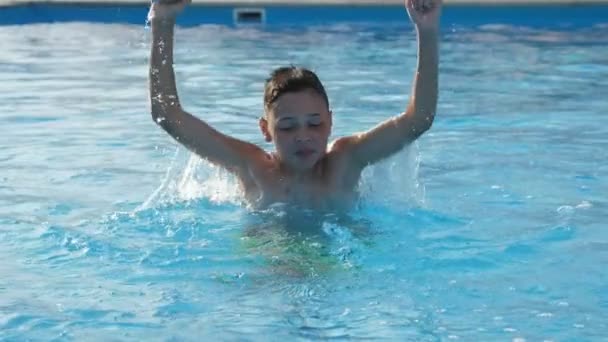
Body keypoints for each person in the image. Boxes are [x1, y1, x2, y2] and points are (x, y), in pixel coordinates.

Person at [147, 0, 441, 210]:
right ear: (266, 129)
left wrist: (427, 32)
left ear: (331, 122)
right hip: (270, 276)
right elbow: (166, 116)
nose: (303, 136)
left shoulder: (345, 162)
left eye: (315, 124)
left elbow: (419, 119)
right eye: (287, 127)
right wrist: (162, 21)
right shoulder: (253, 168)